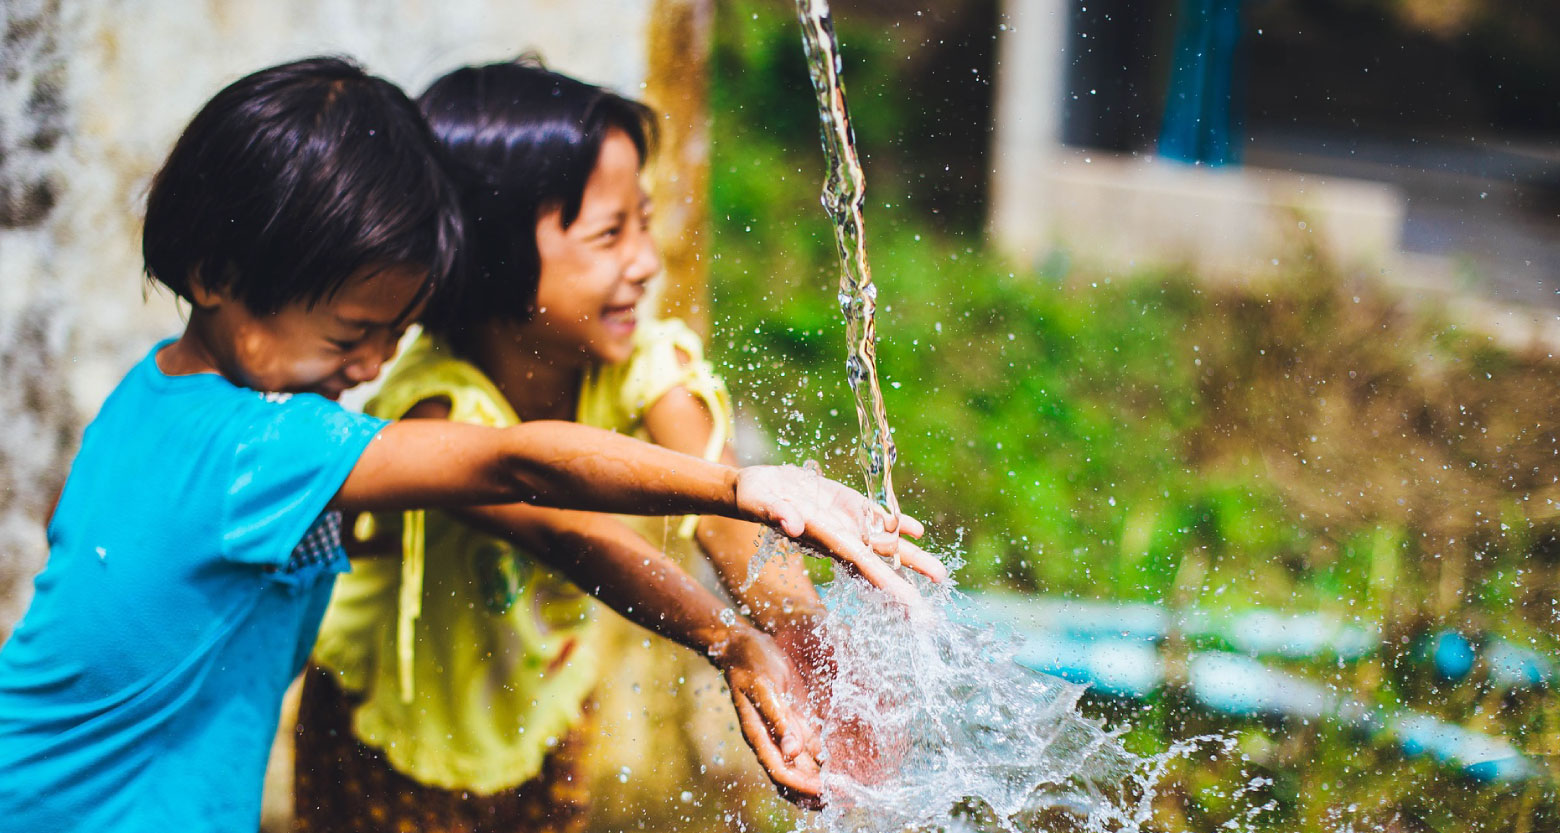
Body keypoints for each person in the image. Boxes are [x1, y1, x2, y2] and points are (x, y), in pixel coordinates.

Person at [0, 57, 945, 833]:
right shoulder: (271, 442)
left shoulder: (153, 390)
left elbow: (77, 530)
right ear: (215, 274)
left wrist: (754, 632)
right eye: (346, 336)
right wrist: (745, 489)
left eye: (390, 331)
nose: (369, 364)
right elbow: (519, 465)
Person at [292, 59, 854, 833]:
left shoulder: (638, 364)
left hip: (544, 710)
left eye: (645, 221)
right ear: (493, 255)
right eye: (609, 233)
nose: (646, 261)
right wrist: (726, 640)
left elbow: (725, 504)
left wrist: (797, 626)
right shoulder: (431, 406)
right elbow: (568, 530)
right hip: (390, 733)